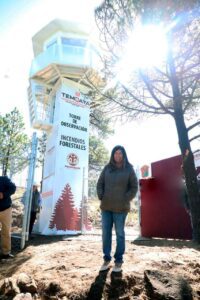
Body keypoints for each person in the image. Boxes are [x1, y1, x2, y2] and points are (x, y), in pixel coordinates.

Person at [97, 145, 138, 272]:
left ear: (124, 155)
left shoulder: (129, 169)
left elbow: (134, 187)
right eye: (116, 153)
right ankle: (106, 258)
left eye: (120, 153)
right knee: (106, 233)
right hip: (106, 207)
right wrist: (101, 195)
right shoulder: (107, 168)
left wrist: (126, 198)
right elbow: (100, 183)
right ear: (113, 155)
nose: (118, 155)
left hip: (121, 208)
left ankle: (119, 260)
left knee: (120, 234)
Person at [0, 176, 16, 259]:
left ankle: (6, 253)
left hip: (6, 210)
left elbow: (13, 188)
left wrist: (3, 194)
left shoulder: (4, 179)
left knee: (6, 231)